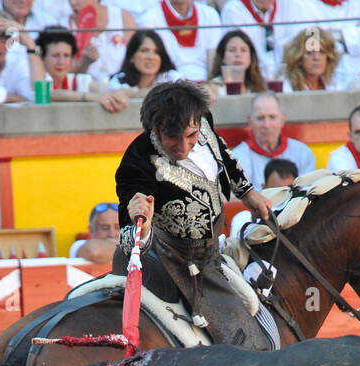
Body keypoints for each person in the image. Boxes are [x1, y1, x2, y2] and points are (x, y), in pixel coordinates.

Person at [115, 81, 274, 344]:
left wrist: (247, 192)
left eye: (190, 136)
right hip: (177, 261)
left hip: (214, 248)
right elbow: (127, 233)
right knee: (249, 345)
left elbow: (221, 151)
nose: (183, 146)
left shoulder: (202, 120)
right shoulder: (137, 162)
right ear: (155, 128)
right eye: (172, 137)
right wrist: (139, 226)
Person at [230, 91, 315, 188]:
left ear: (282, 120)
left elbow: (310, 192)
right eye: (260, 118)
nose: (266, 125)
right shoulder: (237, 157)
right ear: (250, 121)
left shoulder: (302, 152)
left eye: (272, 117)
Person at [33, 27, 129, 111]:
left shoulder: (74, 79)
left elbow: (102, 89)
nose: (61, 62)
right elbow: (47, 94)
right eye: (55, 56)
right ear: (42, 57)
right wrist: (88, 96)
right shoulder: (33, 78)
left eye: (66, 56)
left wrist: (117, 95)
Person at [136, 0, 223, 81]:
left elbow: (214, 58)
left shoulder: (210, 14)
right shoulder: (149, 19)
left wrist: (209, 84)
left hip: (207, 85)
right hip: (168, 84)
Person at [55, 0, 136, 87]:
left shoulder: (122, 17)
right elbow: (61, 73)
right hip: (85, 91)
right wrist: (84, 63)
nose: (73, 3)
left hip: (122, 88)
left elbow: (135, 56)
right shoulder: (64, 27)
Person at [219, 0, 305, 80]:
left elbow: (296, 49)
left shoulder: (290, 4)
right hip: (253, 81)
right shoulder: (233, 10)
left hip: (287, 79)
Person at [107, 28, 182, 93]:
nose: (151, 57)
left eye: (156, 52)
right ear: (132, 57)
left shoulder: (173, 78)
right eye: (144, 51)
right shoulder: (118, 81)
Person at [282, 26, 345, 91]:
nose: (316, 58)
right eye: (309, 53)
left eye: (321, 52)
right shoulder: (287, 86)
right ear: (299, 59)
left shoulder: (334, 84)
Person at [207, 29, 267, 96]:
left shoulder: (260, 86)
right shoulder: (211, 88)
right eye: (232, 50)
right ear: (223, 57)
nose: (238, 55)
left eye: (243, 50)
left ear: (251, 57)